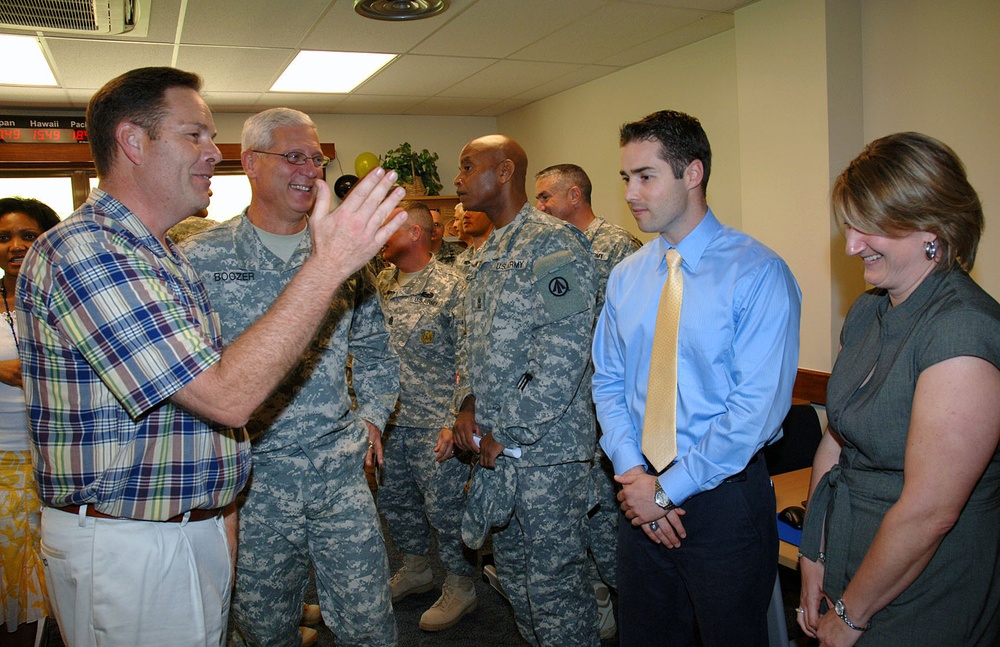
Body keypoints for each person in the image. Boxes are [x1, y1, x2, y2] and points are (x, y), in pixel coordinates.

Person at [14, 67, 406, 647]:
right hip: (133, 541)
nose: (209, 152)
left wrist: (217, 513)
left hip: (196, 519)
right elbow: (224, 396)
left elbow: (190, 411)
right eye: (194, 135)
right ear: (133, 141)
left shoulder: (161, 257)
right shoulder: (89, 252)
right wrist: (326, 264)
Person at [180, 107, 401, 647]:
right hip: (253, 481)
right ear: (251, 162)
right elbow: (188, 381)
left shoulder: (344, 256)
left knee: (369, 624)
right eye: (294, 157)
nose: (310, 170)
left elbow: (376, 351)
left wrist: (372, 416)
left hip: (338, 473)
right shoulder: (198, 260)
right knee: (261, 627)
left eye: (317, 159)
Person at [592, 109, 801, 646]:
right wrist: (637, 478)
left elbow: (754, 411)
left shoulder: (757, 272)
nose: (632, 194)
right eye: (626, 179)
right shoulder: (627, 276)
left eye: (646, 176)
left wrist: (667, 491)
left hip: (721, 503)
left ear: (692, 173)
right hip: (638, 493)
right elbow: (609, 383)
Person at [797, 132, 1000, 647]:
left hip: (924, 585)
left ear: (933, 226)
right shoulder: (869, 310)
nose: (851, 246)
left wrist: (852, 615)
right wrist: (812, 553)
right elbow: (835, 438)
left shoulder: (961, 329)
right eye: (849, 226)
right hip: (853, 557)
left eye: (871, 228)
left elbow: (929, 512)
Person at [452, 134, 599, 647]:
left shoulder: (553, 243)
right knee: (513, 576)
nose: (459, 178)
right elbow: (472, 336)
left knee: (555, 586)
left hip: (546, 451)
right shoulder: (487, 250)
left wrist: (508, 428)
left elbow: (562, 353)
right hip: (498, 447)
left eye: (469, 167)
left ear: (505, 171)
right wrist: (467, 402)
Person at [535, 163, 642, 640]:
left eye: (545, 198)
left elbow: (631, 333)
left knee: (612, 508)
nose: (538, 208)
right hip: (570, 404)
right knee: (588, 512)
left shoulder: (617, 246)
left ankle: (636, 604)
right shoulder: (554, 250)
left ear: (573, 195)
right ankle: (602, 599)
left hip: (609, 404)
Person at [375, 201, 476, 632]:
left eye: (386, 227)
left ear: (415, 233)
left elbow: (469, 356)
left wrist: (454, 419)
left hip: (433, 420)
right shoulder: (382, 282)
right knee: (394, 502)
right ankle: (416, 568)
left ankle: (461, 585)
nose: (377, 235)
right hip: (389, 421)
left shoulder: (453, 285)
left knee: (445, 510)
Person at [0, 197, 59, 647]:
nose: (16, 246)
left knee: (49, 574)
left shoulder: (63, 301)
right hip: (3, 460)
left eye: (28, 235)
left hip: (55, 459)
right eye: (4, 237)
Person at [453, 202, 493, 268]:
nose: (465, 215)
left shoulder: (504, 252)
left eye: (474, 209)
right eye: (465, 210)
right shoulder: (460, 260)